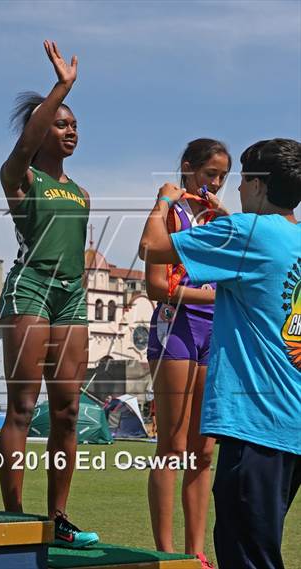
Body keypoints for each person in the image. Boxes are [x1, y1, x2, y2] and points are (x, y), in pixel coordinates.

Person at [139, 138, 301, 569]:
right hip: (291, 424)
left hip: (255, 426)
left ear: (260, 185)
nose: (234, 188)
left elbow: (152, 247)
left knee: (248, 556)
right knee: (261, 542)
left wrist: (162, 202)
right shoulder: (294, 238)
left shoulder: (246, 233)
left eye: (241, 179)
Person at [0, 40, 98, 548]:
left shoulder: (81, 193)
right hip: (30, 288)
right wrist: (61, 88)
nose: (71, 129)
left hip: (72, 295)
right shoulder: (20, 178)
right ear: (39, 134)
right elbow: (20, 148)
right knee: (23, 405)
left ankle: (57, 516)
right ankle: (12, 516)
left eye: (74, 123)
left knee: (67, 411)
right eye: (60, 122)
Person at [145, 139, 231, 564]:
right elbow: (157, 286)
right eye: (209, 173)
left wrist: (230, 217)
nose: (214, 182)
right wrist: (218, 297)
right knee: (172, 446)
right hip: (175, 328)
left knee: (204, 451)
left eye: (222, 177)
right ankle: (165, 552)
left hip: (214, 333)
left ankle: (196, 553)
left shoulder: (219, 219)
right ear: (187, 167)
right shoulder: (170, 210)